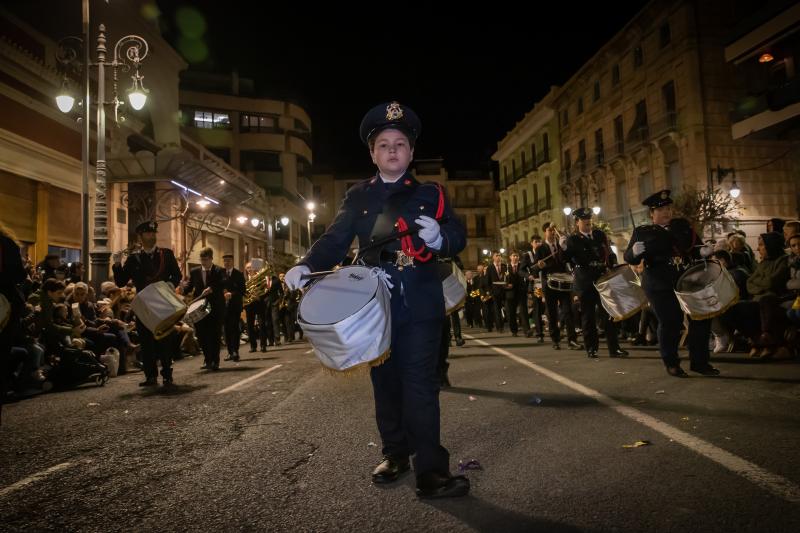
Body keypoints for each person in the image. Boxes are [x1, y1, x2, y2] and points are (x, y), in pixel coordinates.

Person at [284, 101, 469, 499]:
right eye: (383, 144)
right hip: (375, 305)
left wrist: (441, 238)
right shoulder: (357, 196)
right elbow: (335, 239)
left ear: (411, 151)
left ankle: (432, 472)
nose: (391, 150)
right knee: (385, 382)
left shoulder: (431, 194)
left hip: (420, 301)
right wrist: (306, 265)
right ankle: (395, 453)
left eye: (399, 143)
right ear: (372, 153)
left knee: (419, 385)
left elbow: (458, 236)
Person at [624, 190, 719, 377]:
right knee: (671, 322)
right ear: (652, 213)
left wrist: (703, 252)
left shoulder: (682, 226)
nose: (666, 212)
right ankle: (672, 363)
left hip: (686, 280)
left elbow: (695, 249)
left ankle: (700, 362)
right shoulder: (642, 232)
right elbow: (630, 258)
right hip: (659, 283)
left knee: (701, 319)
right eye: (661, 209)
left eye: (668, 208)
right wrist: (634, 253)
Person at [113, 221, 182, 387]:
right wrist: (116, 264)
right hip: (143, 304)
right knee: (146, 340)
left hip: (162, 302)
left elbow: (176, 275)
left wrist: (170, 285)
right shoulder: (134, 258)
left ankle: (167, 374)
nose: (152, 236)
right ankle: (150, 376)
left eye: (153, 233)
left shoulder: (166, 254)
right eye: (148, 233)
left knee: (164, 339)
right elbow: (121, 281)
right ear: (141, 236)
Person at [560, 208, 628, 358]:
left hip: (602, 278)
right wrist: (563, 248)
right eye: (584, 219)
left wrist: (613, 263)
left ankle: (614, 348)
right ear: (577, 222)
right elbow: (565, 259)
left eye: (589, 219)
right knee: (588, 316)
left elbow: (608, 253)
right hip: (585, 280)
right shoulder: (573, 239)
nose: (588, 221)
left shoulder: (599, 235)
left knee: (609, 315)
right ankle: (591, 348)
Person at [536, 222, 581, 350]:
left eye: (554, 230)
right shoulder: (540, 249)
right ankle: (555, 339)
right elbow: (536, 268)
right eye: (550, 230)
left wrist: (564, 248)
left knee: (568, 311)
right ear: (545, 232)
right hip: (549, 284)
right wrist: (540, 265)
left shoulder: (561, 245)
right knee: (552, 313)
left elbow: (566, 260)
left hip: (564, 283)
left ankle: (572, 340)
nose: (552, 232)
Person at [182, 247, 226, 371]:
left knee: (214, 335)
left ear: (211, 258)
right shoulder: (195, 271)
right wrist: (183, 288)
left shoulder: (219, 270)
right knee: (202, 335)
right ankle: (207, 359)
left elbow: (224, 282)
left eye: (206, 260)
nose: (203, 262)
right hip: (199, 309)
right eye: (201, 260)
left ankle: (215, 361)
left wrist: (212, 288)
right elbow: (190, 286)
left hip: (215, 307)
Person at [222, 254, 245, 361]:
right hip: (223, 306)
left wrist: (232, 294)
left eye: (228, 261)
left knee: (235, 328)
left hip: (235, 305)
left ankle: (235, 351)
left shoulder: (238, 274)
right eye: (225, 261)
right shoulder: (220, 273)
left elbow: (242, 290)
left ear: (232, 261)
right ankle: (229, 351)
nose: (226, 263)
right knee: (226, 330)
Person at [505, 252, 532, 337]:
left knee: (523, 311)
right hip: (510, 293)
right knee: (511, 312)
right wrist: (506, 285)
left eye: (517, 256)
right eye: (514, 256)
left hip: (521, 291)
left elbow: (527, 277)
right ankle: (514, 330)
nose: (515, 257)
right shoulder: (506, 267)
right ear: (510, 257)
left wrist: (527, 288)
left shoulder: (522, 266)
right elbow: (502, 279)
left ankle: (527, 330)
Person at [244, 262, 268, 353]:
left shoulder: (260, 278)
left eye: (250, 267)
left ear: (254, 268)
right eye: (248, 268)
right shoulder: (244, 279)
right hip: (249, 305)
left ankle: (263, 345)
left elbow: (266, 290)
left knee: (262, 325)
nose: (249, 269)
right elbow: (242, 291)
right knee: (250, 326)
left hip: (259, 303)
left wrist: (260, 296)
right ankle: (253, 346)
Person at [486, 252, 507, 333]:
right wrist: (490, 292)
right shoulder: (490, 268)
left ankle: (509, 324)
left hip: (505, 290)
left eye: (499, 255)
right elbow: (488, 281)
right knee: (497, 310)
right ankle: (499, 327)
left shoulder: (505, 266)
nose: (498, 257)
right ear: (493, 258)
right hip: (495, 292)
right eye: (496, 256)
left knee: (507, 309)